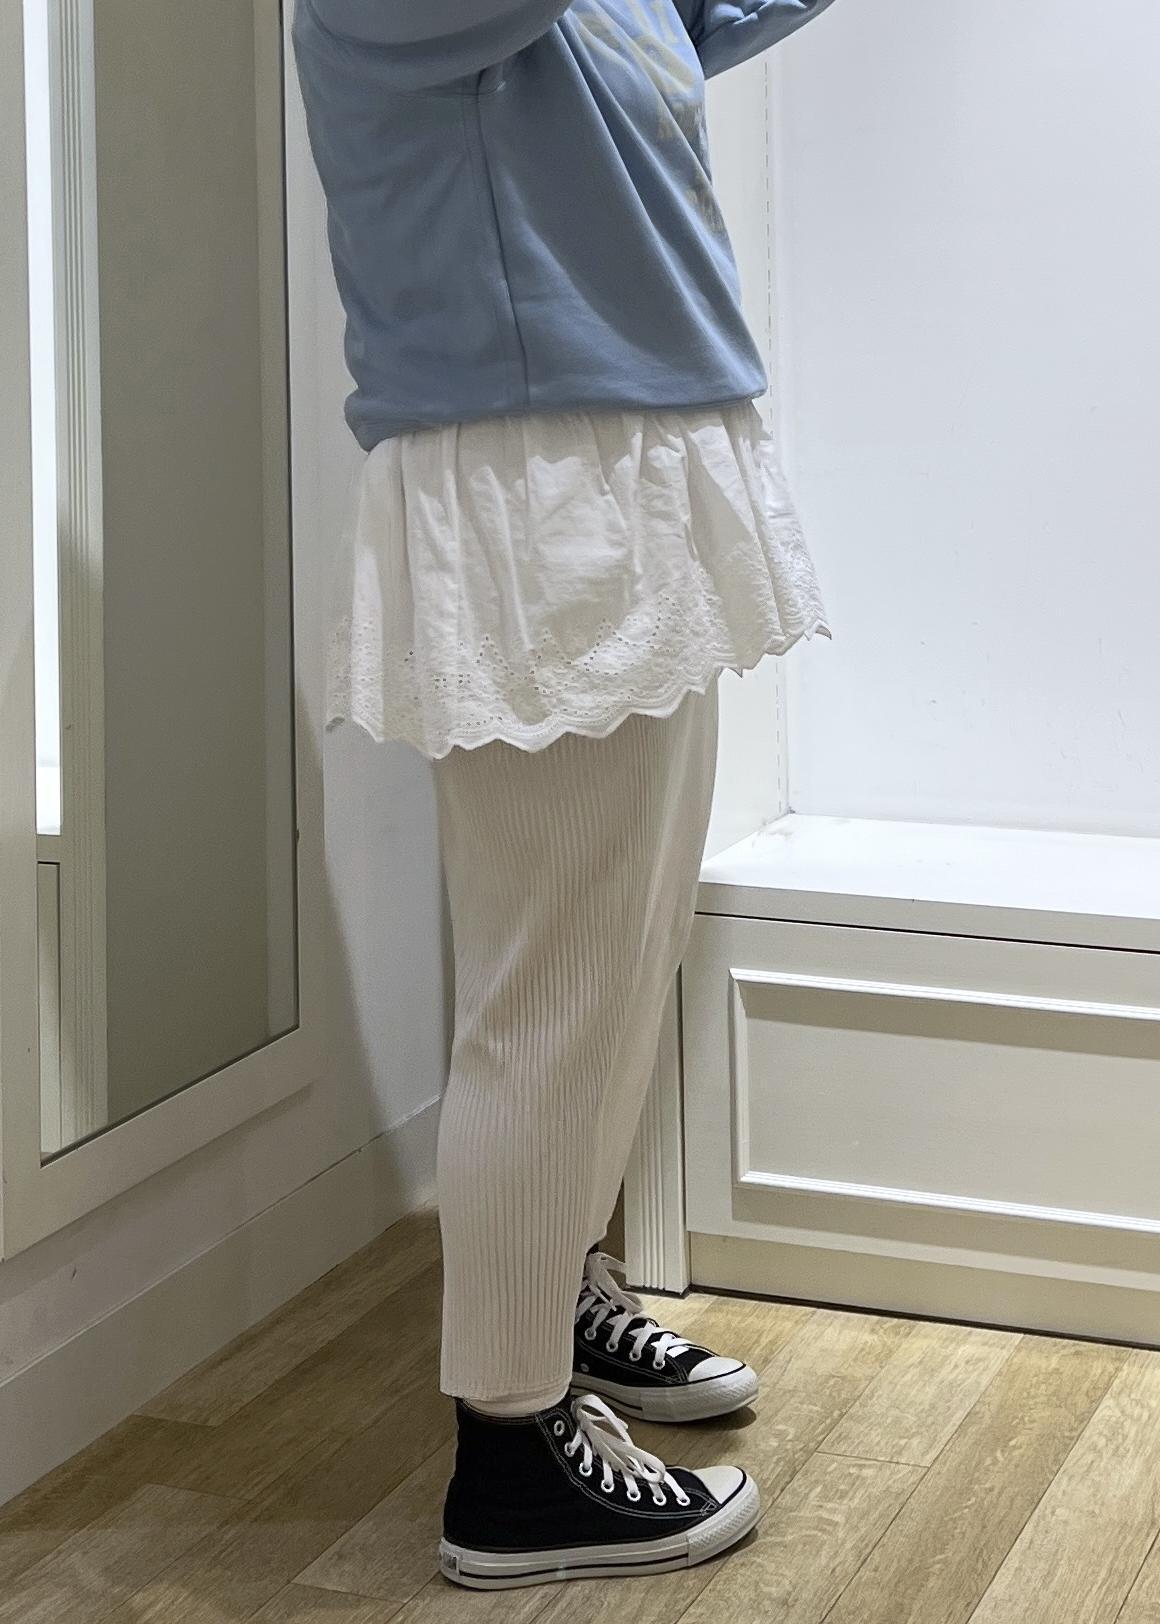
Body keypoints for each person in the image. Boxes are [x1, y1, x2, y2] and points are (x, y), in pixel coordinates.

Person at [293, 0, 840, 1590]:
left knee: (606, 964)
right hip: (542, 485)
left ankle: (549, 1292)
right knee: (553, 989)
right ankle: (512, 1458)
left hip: (618, 467)